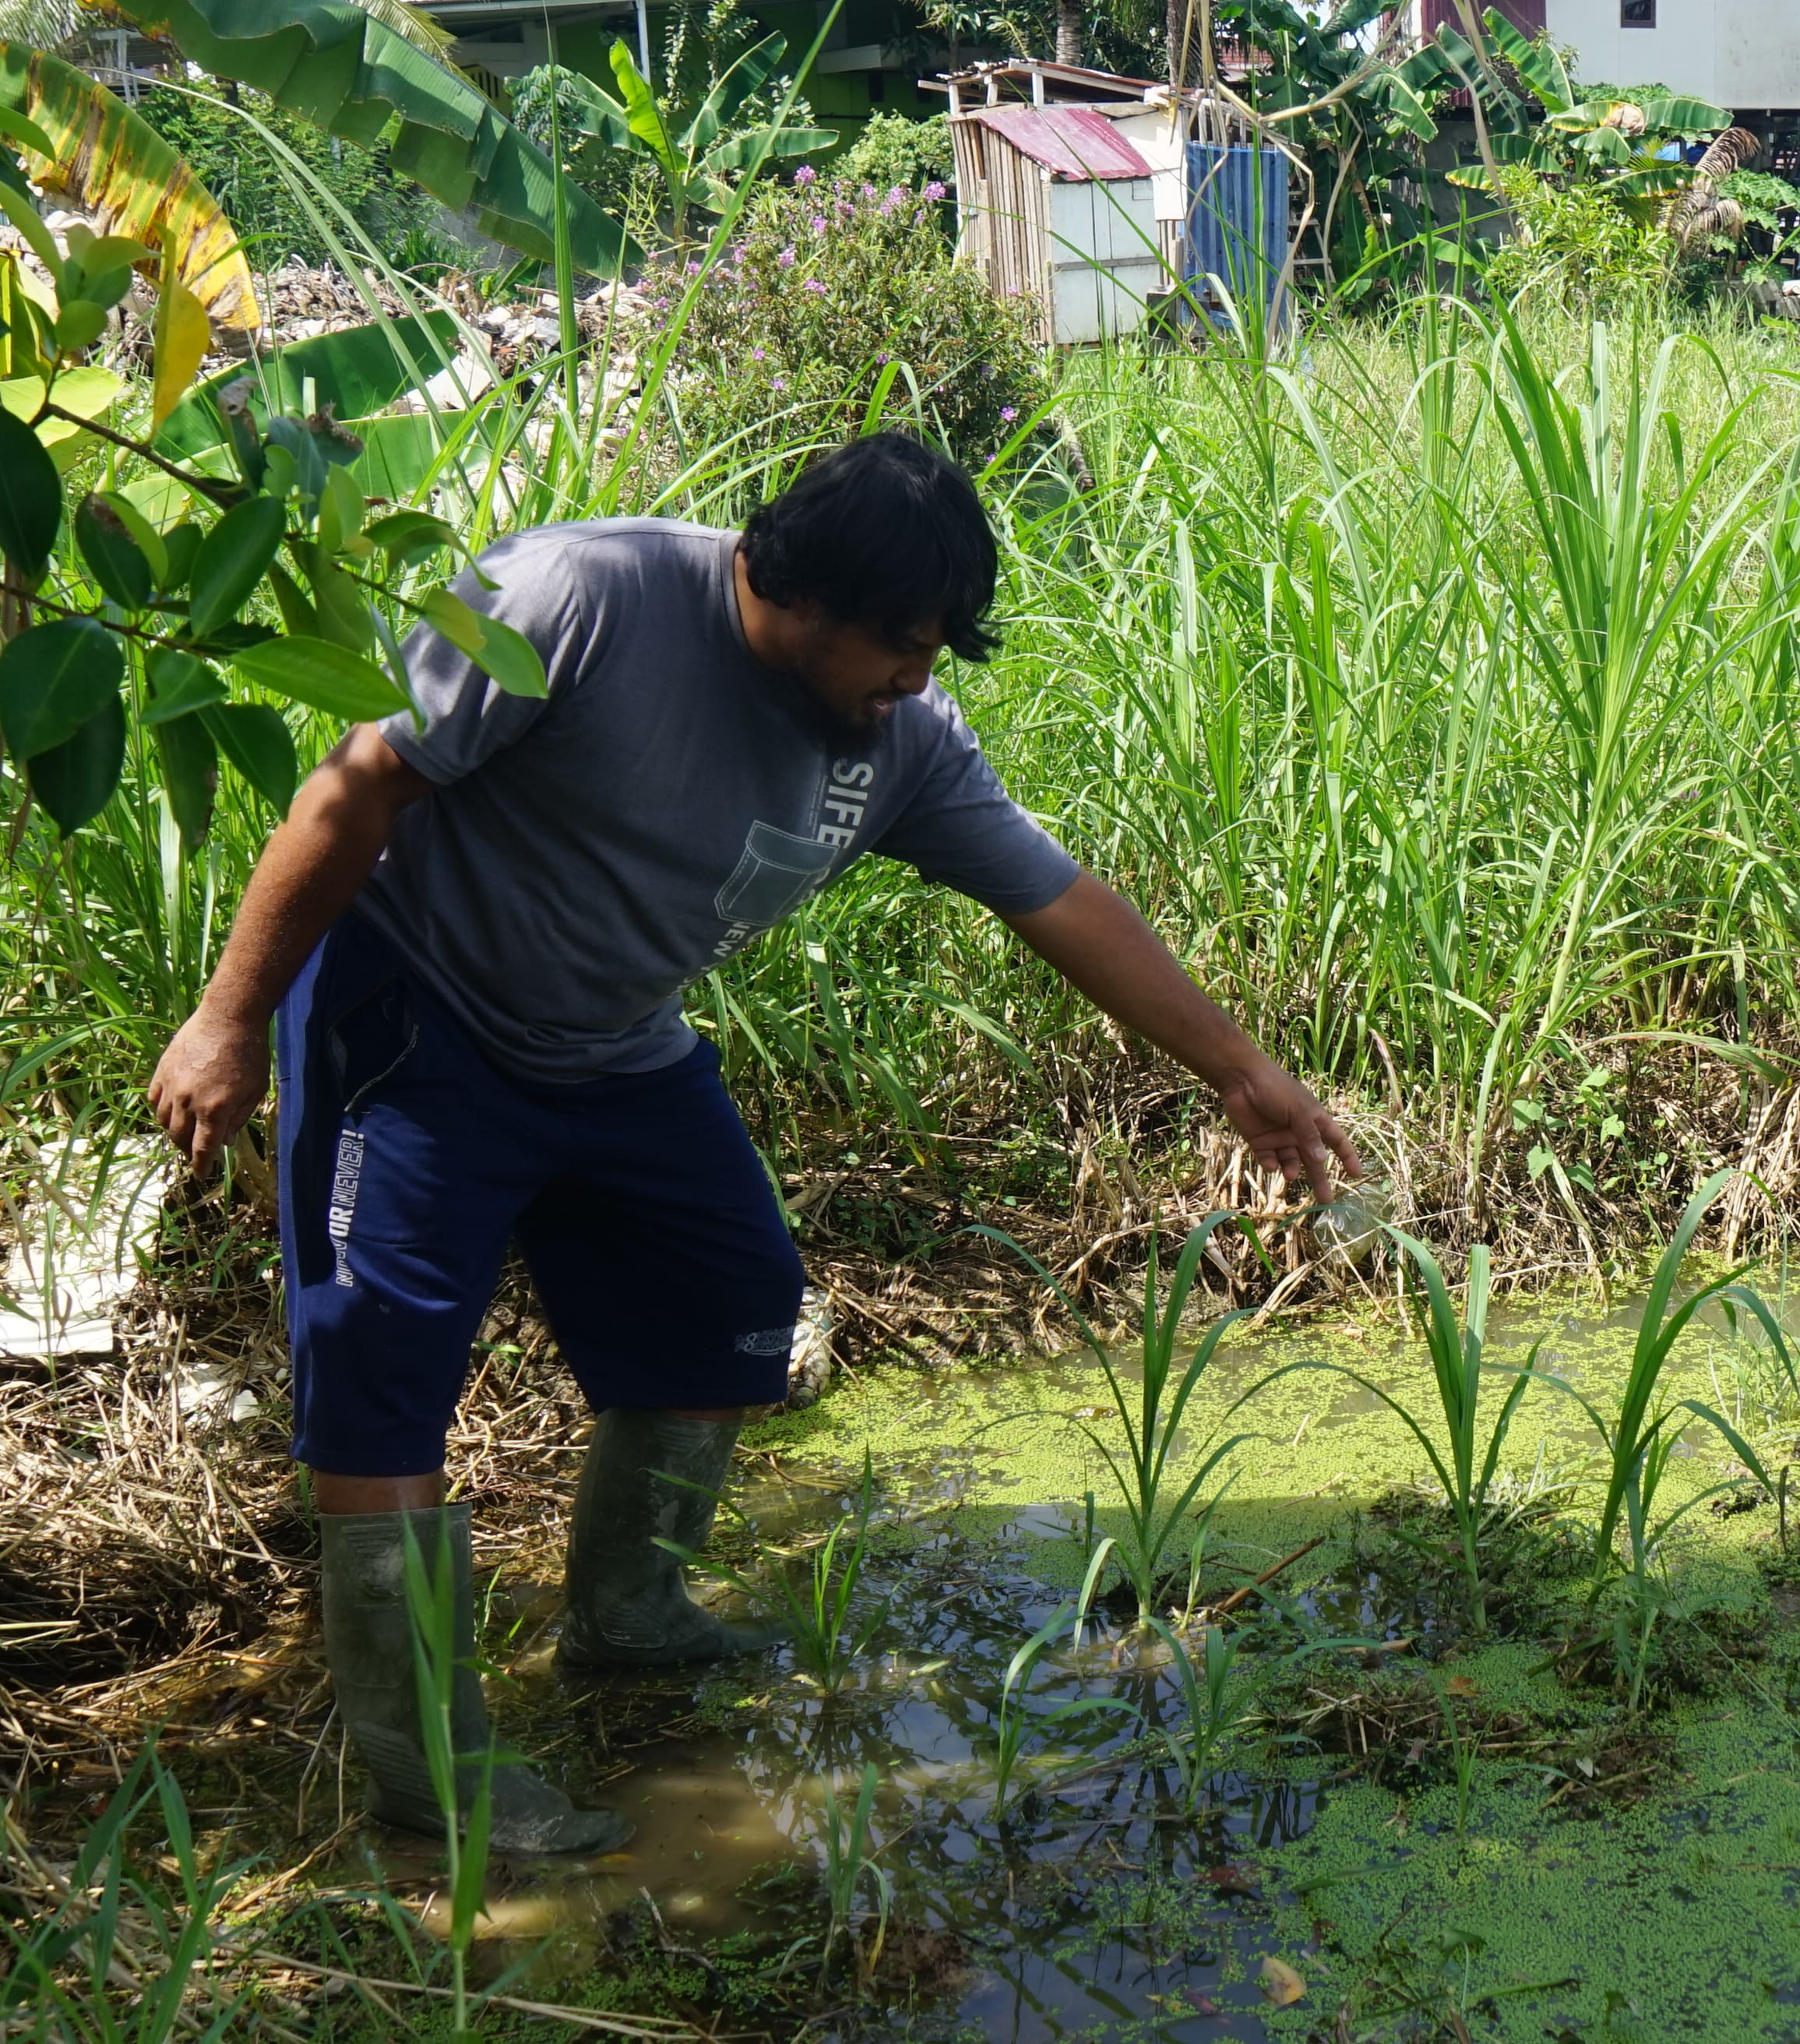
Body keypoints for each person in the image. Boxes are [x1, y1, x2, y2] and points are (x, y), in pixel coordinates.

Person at [144, 434, 1358, 1855]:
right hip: (417, 1014)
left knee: (730, 1297)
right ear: (801, 601)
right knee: (383, 1362)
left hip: (615, 1045)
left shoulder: (901, 739)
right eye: (900, 646)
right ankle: (432, 1783)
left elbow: (1059, 900)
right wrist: (230, 1019)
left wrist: (1243, 1073)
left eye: (936, 651)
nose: (918, 679)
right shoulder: (572, 599)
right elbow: (353, 793)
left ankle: (630, 1610)